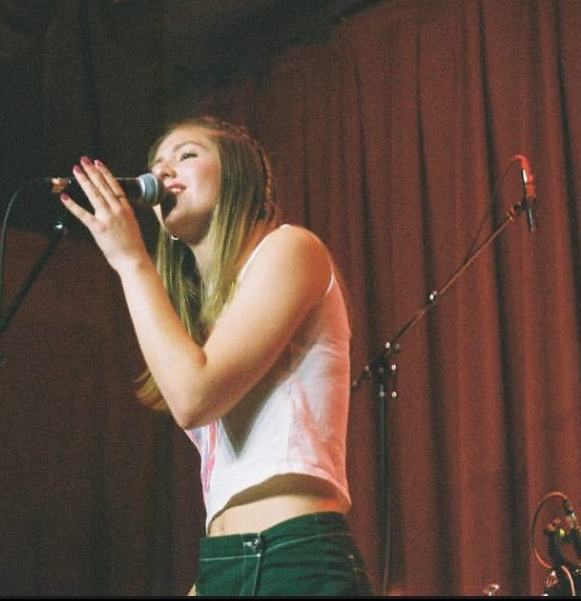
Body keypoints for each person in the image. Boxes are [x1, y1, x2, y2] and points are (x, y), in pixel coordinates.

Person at [59, 116, 374, 596]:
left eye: (185, 155)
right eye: (156, 164)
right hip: (223, 563)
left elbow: (193, 396)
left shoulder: (292, 248)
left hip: (293, 556)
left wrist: (129, 261)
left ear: (241, 177)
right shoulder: (208, 323)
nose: (163, 173)